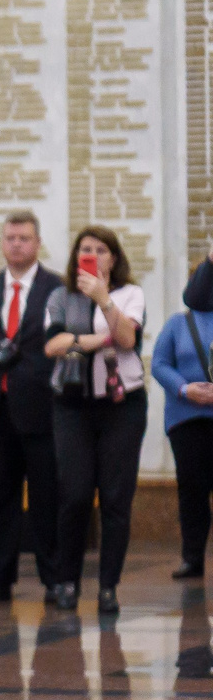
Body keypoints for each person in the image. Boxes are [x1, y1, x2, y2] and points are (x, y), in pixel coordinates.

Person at [0, 213, 66, 605]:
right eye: (10, 238)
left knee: (45, 497)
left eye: (24, 238)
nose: (16, 244)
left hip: (42, 407)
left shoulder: (57, 289)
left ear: (38, 243)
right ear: (2, 243)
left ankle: (54, 579)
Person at [43, 225, 147, 614]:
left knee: (116, 498)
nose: (93, 255)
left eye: (101, 249)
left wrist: (104, 300)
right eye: (85, 249)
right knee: (75, 495)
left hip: (122, 405)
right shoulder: (61, 296)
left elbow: (128, 339)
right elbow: (53, 344)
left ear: (114, 258)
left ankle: (108, 587)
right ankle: (67, 581)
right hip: (72, 406)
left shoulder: (130, 294)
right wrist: (97, 340)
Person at [153, 246, 213, 580]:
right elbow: (160, 364)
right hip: (186, 419)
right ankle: (192, 557)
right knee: (192, 490)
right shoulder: (178, 324)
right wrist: (184, 389)